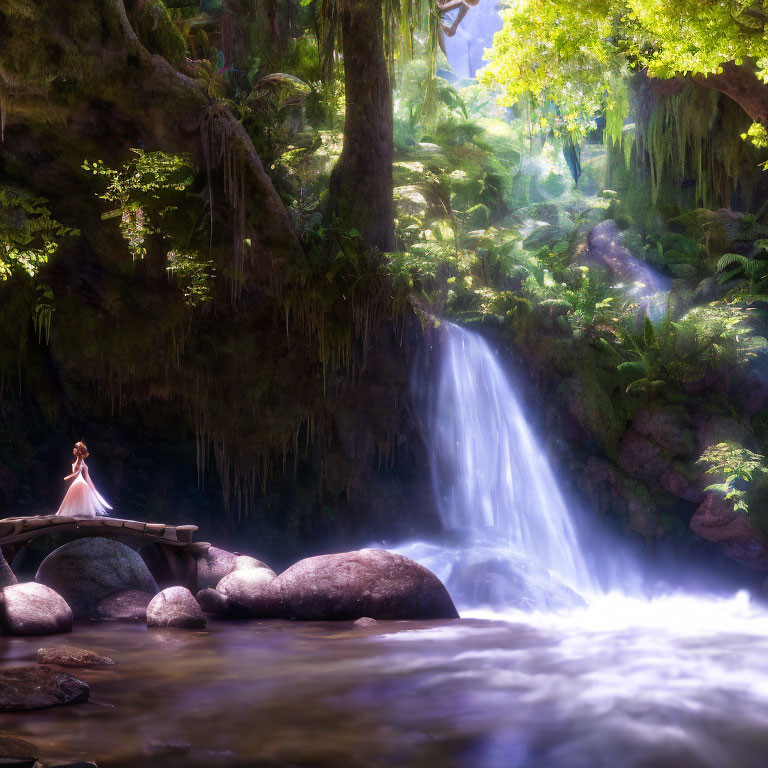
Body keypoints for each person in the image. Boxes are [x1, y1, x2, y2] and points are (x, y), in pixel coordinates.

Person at [56, 441, 113, 518]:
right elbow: (77, 472)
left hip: (80, 482)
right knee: (76, 498)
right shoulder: (79, 462)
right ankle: (78, 513)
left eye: (77, 449)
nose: (75, 450)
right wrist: (68, 477)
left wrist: (68, 477)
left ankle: (81, 513)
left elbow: (78, 472)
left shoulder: (80, 461)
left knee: (80, 498)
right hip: (79, 482)